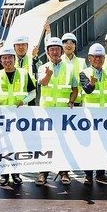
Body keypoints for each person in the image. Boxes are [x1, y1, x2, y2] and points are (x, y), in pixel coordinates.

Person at [36, 36, 79, 186]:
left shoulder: (70, 68)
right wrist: (48, 75)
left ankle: (64, 172)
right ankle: (43, 173)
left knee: (63, 142)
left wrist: (72, 101)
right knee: (45, 143)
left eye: (57, 49)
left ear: (61, 51)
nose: (54, 52)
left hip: (63, 112)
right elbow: (43, 82)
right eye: (51, 49)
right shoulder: (43, 67)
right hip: (46, 112)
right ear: (47, 52)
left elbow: (75, 88)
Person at [0, 47, 36, 186]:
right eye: (4, 58)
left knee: (17, 145)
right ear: (0, 60)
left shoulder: (24, 73)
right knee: (3, 146)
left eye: (10, 57)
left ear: (14, 59)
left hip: (19, 117)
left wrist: (24, 101)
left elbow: (33, 93)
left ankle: (16, 173)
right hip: (3, 118)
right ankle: (4, 174)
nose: (7, 60)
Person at [80, 43, 107, 185]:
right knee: (90, 146)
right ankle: (88, 174)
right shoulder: (84, 73)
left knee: (103, 145)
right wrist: (92, 84)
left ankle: (100, 173)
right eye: (95, 57)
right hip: (89, 116)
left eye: (100, 57)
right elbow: (86, 90)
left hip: (104, 117)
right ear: (90, 58)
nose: (98, 59)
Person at [61, 32, 87, 106]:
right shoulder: (58, 61)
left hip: (78, 102)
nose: (69, 45)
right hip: (63, 102)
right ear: (62, 45)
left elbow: (85, 84)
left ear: (75, 45)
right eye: (66, 42)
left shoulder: (82, 62)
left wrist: (83, 100)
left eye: (72, 43)